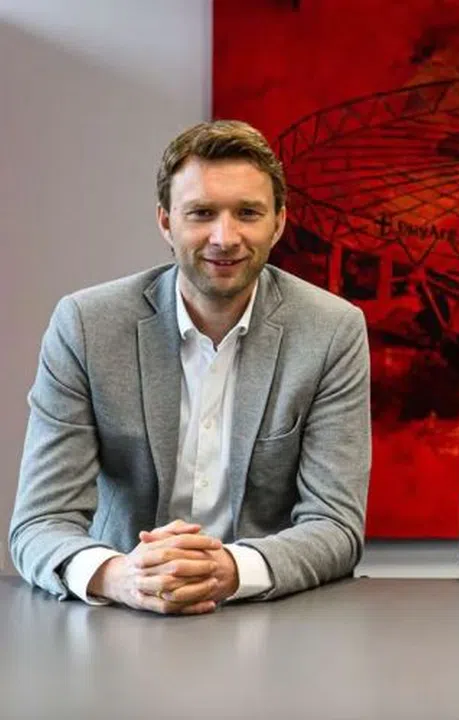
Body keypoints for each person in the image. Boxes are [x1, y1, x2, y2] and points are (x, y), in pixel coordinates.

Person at [9, 120, 372, 614]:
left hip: (271, 616)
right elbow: (39, 522)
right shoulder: (87, 326)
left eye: (248, 213)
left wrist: (231, 569)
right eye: (201, 213)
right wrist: (120, 577)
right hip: (119, 615)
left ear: (279, 223)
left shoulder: (332, 330)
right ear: (166, 221)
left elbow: (336, 525)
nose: (225, 237)